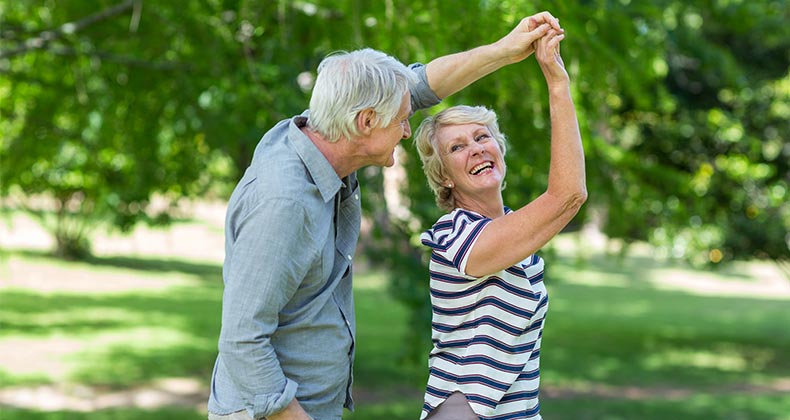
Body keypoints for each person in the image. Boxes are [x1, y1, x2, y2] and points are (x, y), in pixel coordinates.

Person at [207, 11, 565, 420]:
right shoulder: (284, 201)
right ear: (366, 122)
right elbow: (242, 340)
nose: (407, 130)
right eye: (401, 120)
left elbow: (420, 85)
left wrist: (504, 50)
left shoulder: (328, 128)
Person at [412, 23, 586, 420]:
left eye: (481, 137)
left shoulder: (517, 236)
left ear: (499, 149)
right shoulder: (453, 237)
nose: (475, 149)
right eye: (457, 147)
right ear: (444, 176)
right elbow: (568, 195)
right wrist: (557, 83)